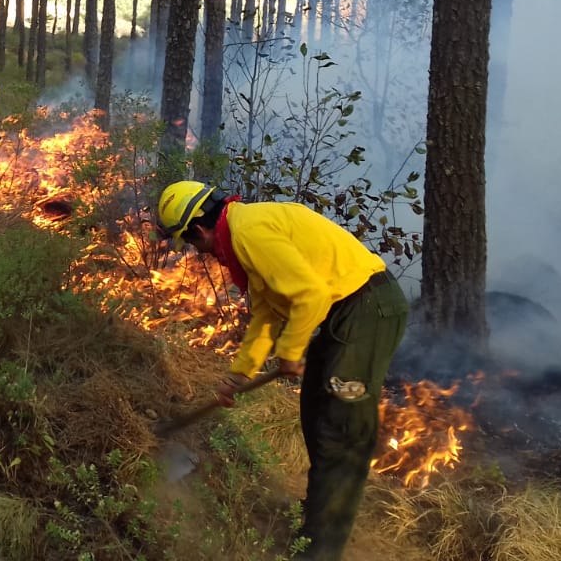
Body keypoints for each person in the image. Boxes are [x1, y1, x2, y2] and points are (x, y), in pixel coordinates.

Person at [155, 182, 409, 561]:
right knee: (315, 412)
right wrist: (239, 375)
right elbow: (266, 314)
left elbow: (311, 295)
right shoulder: (241, 232)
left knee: (341, 429)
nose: (198, 251)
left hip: (369, 309)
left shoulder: (250, 232)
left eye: (191, 242)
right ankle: (317, 516)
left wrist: (289, 352)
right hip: (346, 313)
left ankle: (319, 551)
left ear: (198, 229)